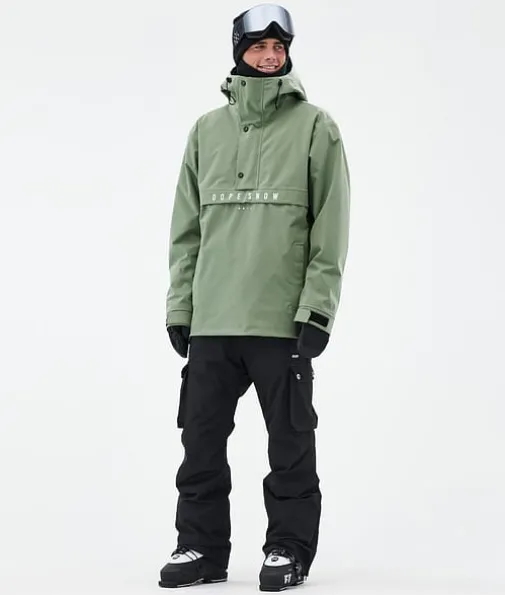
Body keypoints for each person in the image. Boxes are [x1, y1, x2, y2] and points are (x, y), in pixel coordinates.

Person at [159, 3, 351, 591]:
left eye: (278, 47)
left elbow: (331, 226)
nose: (270, 56)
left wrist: (317, 309)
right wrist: (180, 306)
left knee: (289, 444)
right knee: (199, 443)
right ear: (239, 51)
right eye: (259, 46)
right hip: (213, 319)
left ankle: (288, 549)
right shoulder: (205, 130)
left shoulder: (316, 127)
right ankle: (200, 548)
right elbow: (186, 230)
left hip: (281, 320)